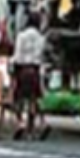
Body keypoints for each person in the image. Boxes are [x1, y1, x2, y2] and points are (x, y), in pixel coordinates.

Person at [11, 11, 50, 140]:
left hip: (23, 69)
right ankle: (31, 128)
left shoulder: (21, 36)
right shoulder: (41, 38)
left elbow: (17, 55)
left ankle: (20, 122)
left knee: (18, 99)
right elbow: (42, 56)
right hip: (35, 70)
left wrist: (13, 72)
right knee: (33, 99)